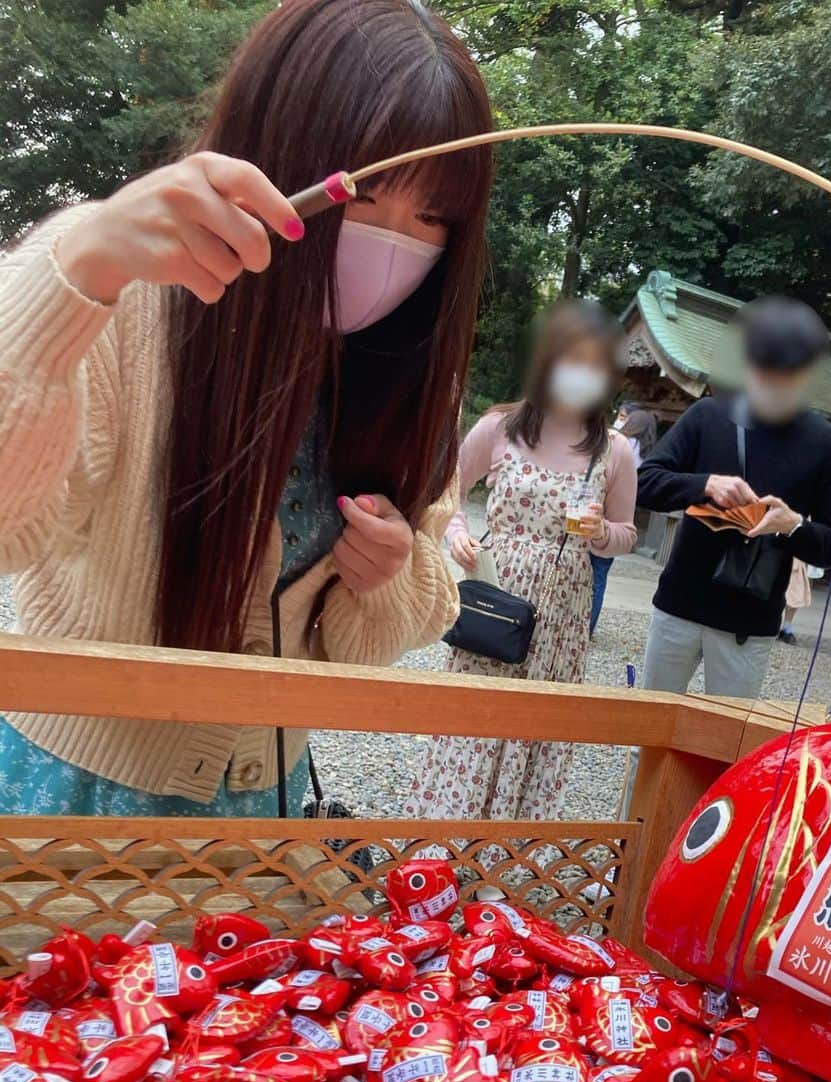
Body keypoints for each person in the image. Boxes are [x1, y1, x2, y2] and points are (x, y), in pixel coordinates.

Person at [0, 0, 493, 816]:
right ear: (281, 156)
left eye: (434, 215)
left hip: (263, 805)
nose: (397, 239)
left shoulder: (412, 373)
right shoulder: (129, 302)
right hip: (71, 795)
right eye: (367, 196)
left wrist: (392, 574)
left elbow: (372, 643)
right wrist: (72, 272)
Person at [405, 301, 637, 820]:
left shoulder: (615, 451)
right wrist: (458, 534)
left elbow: (627, 533)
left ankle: (506, 861)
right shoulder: (500, 427)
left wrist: (601, 533)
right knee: (475, 716)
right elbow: (446, 491)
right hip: (495, 592)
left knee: (534, 727)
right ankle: (443, 839)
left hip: (563, 611)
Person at [635, 296, 831, 700]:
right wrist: (704, 485)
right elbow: (645, 482)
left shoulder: (829, 445)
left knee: (724, 746)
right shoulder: (709, 416)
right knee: (649, 734)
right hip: (680, 604)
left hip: (749, 623)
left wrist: (794, 526)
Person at [588, 403, 658, 634]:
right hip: (624, 515)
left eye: (623, 416)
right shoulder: (649, 450)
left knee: (593, 575)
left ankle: (586, 625)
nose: (620, 420)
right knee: (600, 577)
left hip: (601, 515)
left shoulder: (621, 444)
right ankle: (590, 625)